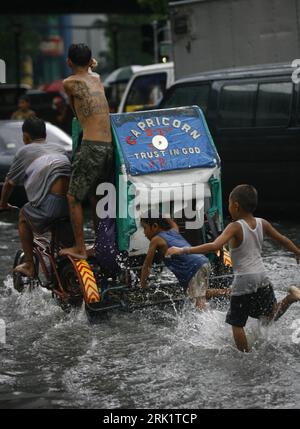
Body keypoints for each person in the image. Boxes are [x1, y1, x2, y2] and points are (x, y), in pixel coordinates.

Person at [167, 184, 300, 352]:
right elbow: (282, 239)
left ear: (235, 205)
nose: (228, 207)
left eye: (229, 203)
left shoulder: (235, 226)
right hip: (261, 276)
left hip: (244, 279)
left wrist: (183, 250)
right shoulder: (262, 223)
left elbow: (215, 245)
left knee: (236, 324)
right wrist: (297, 252)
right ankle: (291, 297)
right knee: (269, 315)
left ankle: (245, 356)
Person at [59, 43, 113, 260]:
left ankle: (80, 249)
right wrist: (90, 64)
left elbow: (75, 111)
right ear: (90, 61)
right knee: (95, 196)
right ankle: (101, 246)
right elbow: (91, 69)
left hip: (91, 146)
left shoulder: (69, 83)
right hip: (108, 146)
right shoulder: (97, 78)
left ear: (69, 62)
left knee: (72, 197)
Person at [0, 117, 71, 277]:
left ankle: (30, 265)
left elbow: (9, 183)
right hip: (70, 206)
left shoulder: (24, 151)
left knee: (23, 215)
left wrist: (3, 204)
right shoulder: (60, 149)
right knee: (63, 243)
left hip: (50, 206)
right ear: (45, 134)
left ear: (25, 137)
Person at [140, 213, 231, 310]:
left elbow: (147, 264)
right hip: (202, 262)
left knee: (199, 304)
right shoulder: (174, 231)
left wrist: (142, 284)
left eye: (145, 228)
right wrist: (165, 216)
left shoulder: (156, 240)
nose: (144, 233)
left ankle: (206, 321)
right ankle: (227, 292)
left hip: (193, 267)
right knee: (200, 292)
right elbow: (173, 224)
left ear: (154, 226)